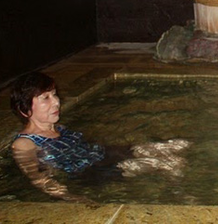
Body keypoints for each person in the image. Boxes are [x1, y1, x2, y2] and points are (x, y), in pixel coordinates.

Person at [10, 72, 190, 202]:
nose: (56, 101)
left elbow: (84, 146)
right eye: (45, 98)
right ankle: (181, 197)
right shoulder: (24, 144)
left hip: (102, 154)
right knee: (171, 163)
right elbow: (39, 179)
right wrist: (72, 197)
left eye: (54, 94)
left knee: (179, 144)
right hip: (91, 172)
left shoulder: (59, 128)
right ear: (24, 109)